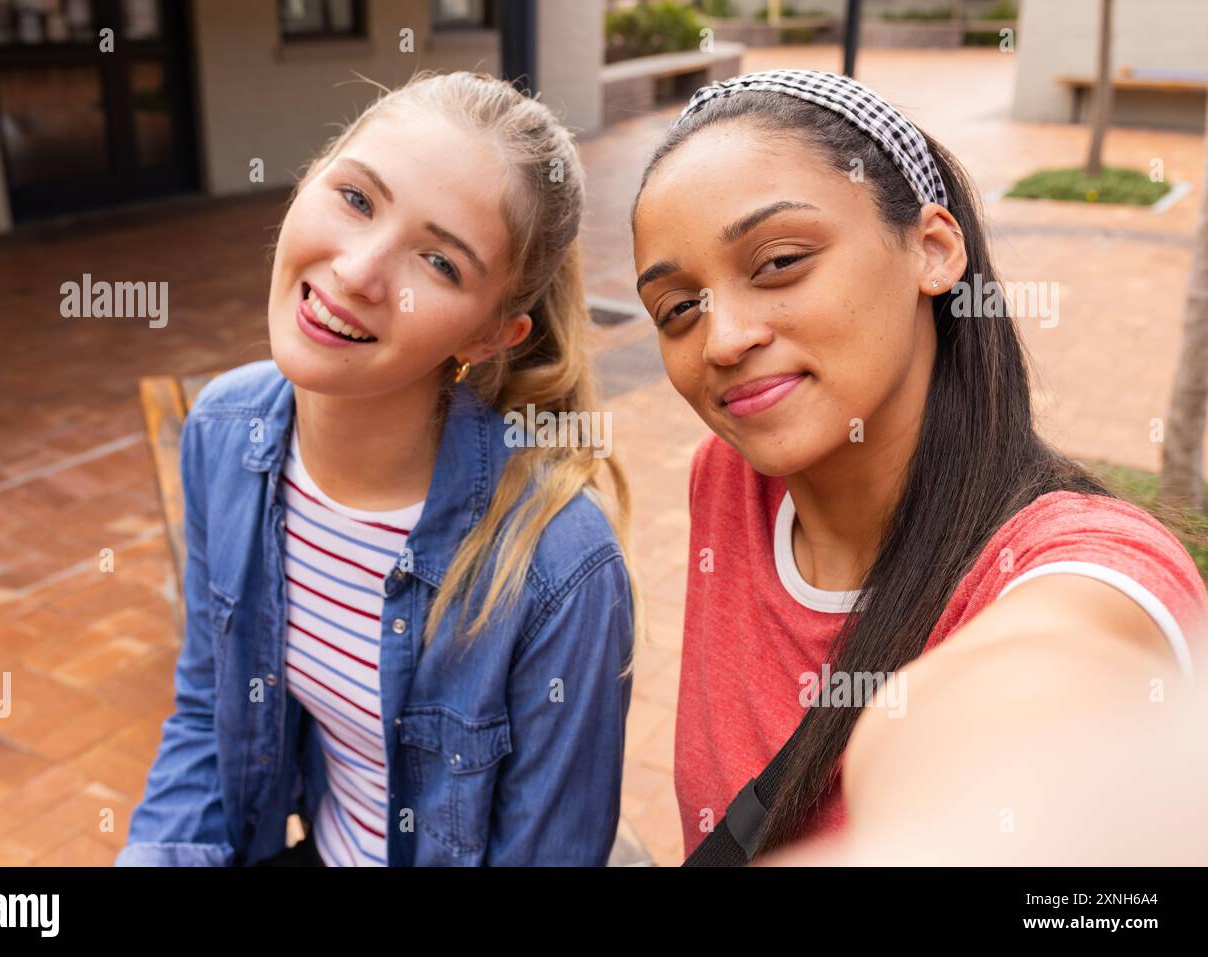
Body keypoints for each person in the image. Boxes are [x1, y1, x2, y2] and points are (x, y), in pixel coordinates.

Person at [629, 69, 1208, 864]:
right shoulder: (727, 480)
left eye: (779, 262)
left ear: (933, 250)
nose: (722, 339)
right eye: (677, 308)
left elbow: (1067, 669)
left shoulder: (1086, 564)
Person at [117, 71, 639, 867]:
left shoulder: (559, 568)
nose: (359, 272)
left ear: (493, 335)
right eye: (356, 199)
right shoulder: (223, 434)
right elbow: (204, 714)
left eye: (438, 262)